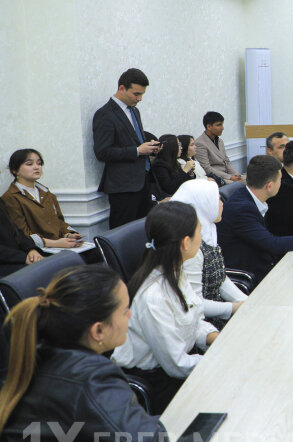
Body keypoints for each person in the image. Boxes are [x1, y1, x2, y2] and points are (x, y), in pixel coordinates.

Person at [0, 265, 167, 442]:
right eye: (125, 309)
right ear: (98, 330)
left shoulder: (36, 355)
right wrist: (156, 425)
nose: (130, 315)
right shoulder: (91, 377)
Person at [112, 201, 219, 413]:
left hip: (181, 364)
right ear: (186, 243)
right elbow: (176, 364)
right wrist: (218, 361)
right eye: (199, 230)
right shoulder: (153, 296)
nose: (202, 236)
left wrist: (212, 337)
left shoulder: (174, 269)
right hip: (156, 384)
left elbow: (192, 317)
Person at [216, 155, 293, 280]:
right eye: (280, 179)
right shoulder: (241, 209)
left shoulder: (246, 195)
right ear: (269, 186)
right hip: (252, 277)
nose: (282, 183)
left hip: (264, 262)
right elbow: (272, 244)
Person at [171, 180, 247, 329]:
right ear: (203, 204)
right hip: (203, 323)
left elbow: (219, 278)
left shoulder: (207, 230)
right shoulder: (190, 249)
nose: (222, 203)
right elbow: (196, 304)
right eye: (217, 199)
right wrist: (235, 307)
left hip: (218, 312)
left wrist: (246, 301)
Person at [92, 68, 161, 229]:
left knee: (142, 231)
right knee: (123, 232)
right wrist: (138, 151)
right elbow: (102, 152)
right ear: (122, 88)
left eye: (142, 94)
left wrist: (150, 148)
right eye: (136, 94)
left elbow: (134, 140)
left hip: (143, 180)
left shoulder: (134, 111)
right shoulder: (105, 114)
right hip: (123, 186)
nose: (140, 98)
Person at [2, 148, 83, 251]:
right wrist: (55, 243)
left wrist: (69, 235)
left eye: (39, 163)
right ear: (15, 170)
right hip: (36, 250)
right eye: (29, 164)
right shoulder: (11, 197)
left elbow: (59, 221)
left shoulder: (46, 193)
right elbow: (22, 234)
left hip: (59, 245)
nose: (36, 167)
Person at [194, 111, 243, 184]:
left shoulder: (220, 141)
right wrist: (230, 177)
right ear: (209, 127)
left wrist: (236, 175)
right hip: (216, 178)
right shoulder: (200, 143)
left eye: (222, 124)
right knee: (242, 185)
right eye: (219, 125)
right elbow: (207, 169)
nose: (222, 128)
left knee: (253, 181)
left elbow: (227, 161)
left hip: (227, 175)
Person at [0, 199, 44, 276]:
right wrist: (23, 257)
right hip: (6, 263)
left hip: (15, 258)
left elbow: (15, 230)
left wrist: (31, 250)